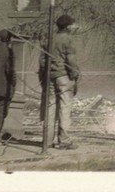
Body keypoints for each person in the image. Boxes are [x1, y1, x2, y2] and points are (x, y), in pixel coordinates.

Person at [39, 14, 80, 149]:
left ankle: (47, 141)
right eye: (72, 24)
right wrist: (74, 74)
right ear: (68, 26)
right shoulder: (68, 39)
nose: (74, 27)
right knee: (64, 108)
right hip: (64, 76)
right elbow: (71, 61)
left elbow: (42, 61)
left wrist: (44, 76)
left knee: (50, 107)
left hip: (51, 76)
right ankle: (64, 141)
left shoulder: (49, 40)